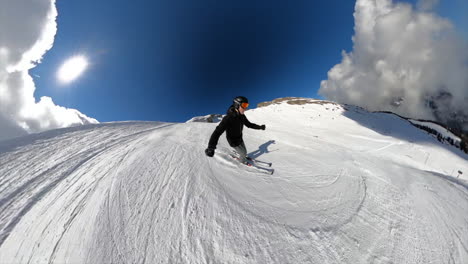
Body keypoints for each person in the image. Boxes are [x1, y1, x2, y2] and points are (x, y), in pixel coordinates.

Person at [205, 96, 266, 164]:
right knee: (243, 154)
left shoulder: (242, 116)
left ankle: (241, 154)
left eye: (247, 105)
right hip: (233, 141)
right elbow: (217, 132)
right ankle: (241, 161)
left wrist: (260, 127)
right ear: (237, 105)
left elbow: (249, 125)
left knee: (245, 152)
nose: (245, 108)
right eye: (244, 105)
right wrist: (211, 147)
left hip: (240, 138)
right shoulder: (228, 118)